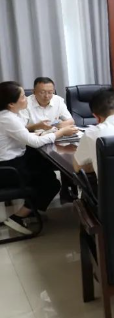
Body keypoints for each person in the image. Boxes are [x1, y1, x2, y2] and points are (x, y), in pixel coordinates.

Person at [0, 81, 79, 235]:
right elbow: (34, 142)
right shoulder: (8, 118)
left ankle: (32, 208)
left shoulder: (9, 115)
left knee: (44, 164)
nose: (27, 98)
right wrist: (60, 133)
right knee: (51, 184)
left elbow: (25, 136)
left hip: (14, 161)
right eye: (23, 96)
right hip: (8, 170)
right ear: (11, 104)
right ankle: (19, 216)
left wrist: (45, 132)